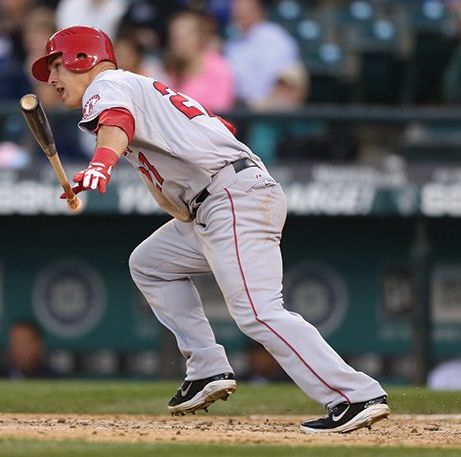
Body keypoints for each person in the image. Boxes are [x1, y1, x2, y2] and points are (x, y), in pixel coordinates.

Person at [31, 25, 389, 434]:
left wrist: (101, 163)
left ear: (82, 59)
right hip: (221, 199)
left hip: (229, 197)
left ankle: (353, 395)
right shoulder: (138, 84)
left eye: (57, 66)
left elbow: (117, 120)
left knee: (258, 312)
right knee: (149, 264)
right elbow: (219, 129)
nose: (53, 79)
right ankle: (206, 367)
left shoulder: (108, 82)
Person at [224, 0, 303, 109]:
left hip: (271, 109)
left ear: (259, 11)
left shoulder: (275, 37)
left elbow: (285, 79)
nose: (240, 14)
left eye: (246, 10)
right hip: (240, 108)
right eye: (237, 10)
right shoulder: (233, 43)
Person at [164, 10, 235, 112]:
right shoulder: (171, 68)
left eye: (183, 37)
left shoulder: (218, 66)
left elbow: (221, 107)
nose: (177, 42)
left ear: (199, 37)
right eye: (174, 37)